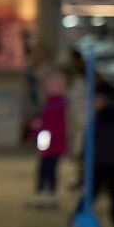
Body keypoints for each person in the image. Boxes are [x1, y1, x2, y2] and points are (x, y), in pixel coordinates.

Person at [75, 82, 114, 227]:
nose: (93, 102)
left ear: (104, 99)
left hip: (100, 162)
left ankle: (77, 218)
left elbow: (90, 141)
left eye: (96, 99)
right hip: (112, 162)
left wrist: (83, 157)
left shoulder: (100, 118)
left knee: (93, 193)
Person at [27, 73, 67, 209]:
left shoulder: (53, 104)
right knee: (50, 169)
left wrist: (36, 132)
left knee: (45, 169)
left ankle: (43, 194)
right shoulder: (60, 104)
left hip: (49, 143)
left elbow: (47, 126)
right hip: (55, 143)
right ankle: (49, 194)